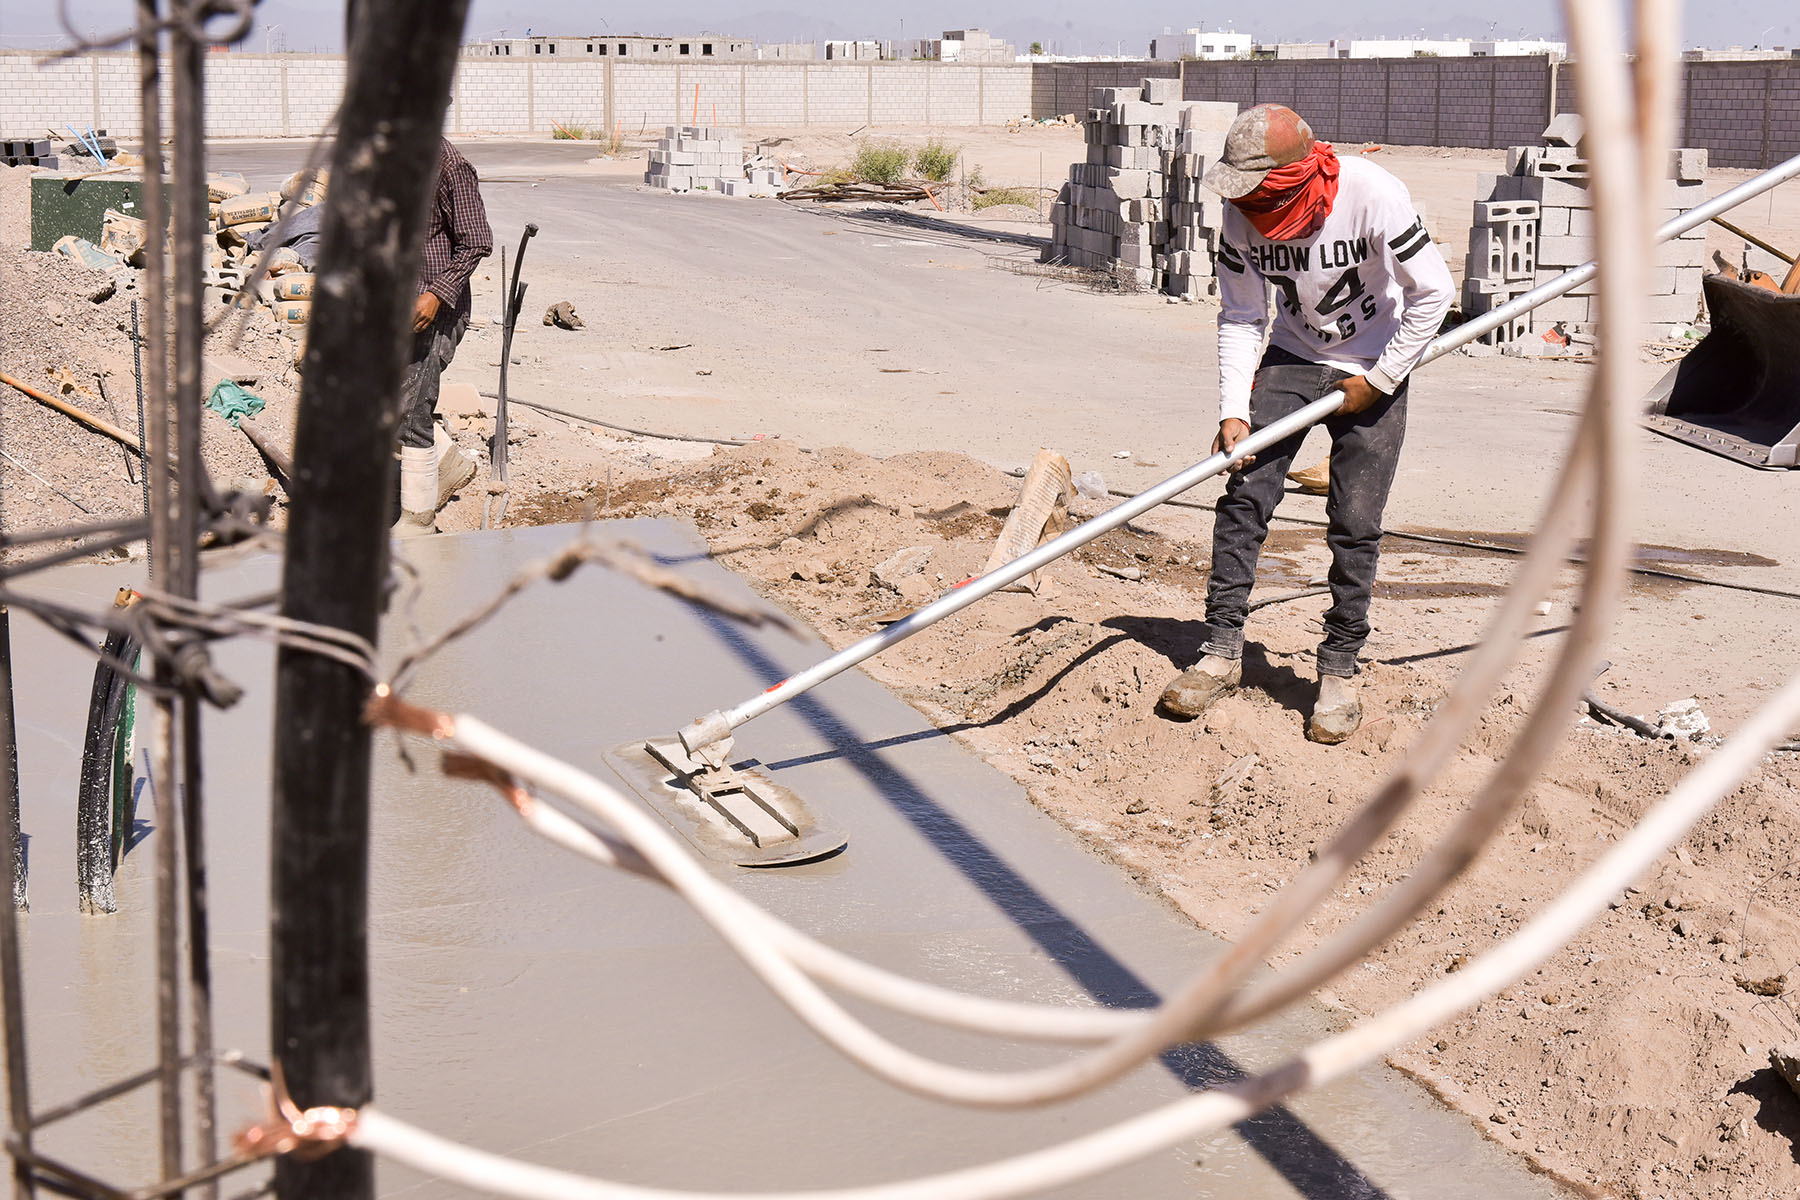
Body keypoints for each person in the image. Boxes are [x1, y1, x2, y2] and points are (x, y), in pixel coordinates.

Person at [1158, 104, 1453, 743]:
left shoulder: (1373, 194)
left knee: (1355, 522)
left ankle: (1340, 666)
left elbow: (1434, 292)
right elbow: (1241, 316)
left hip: (1378, 358)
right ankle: (1221, 647)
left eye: (1261, 192)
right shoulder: (1241, 217)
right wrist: (1233, 408)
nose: (1250, 206)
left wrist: (1378, 381)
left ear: (1296, 173)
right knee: (1243, 497)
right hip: (1293, 356)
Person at [394, 137, 493, 536]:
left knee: (412, 410)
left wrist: (437, 293)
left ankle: (418, 522)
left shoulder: (449, 165)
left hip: (431, 313)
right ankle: (447, 462)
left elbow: (477, 240)